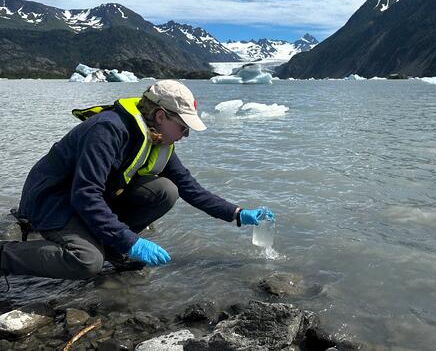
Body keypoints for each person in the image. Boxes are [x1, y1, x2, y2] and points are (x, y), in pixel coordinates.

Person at [0, 80, 275, 282]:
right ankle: (6, 256)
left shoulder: (159, 142)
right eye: (183, 127)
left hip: (85, 199)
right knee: (86, 262)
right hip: (52, 200)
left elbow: (190, 188)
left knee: (166, 190)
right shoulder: (107, 130)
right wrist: (131, 241)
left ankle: (111, 248)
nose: (185, 135)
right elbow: (85, 195)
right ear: (160, 116)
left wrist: (238, 214)